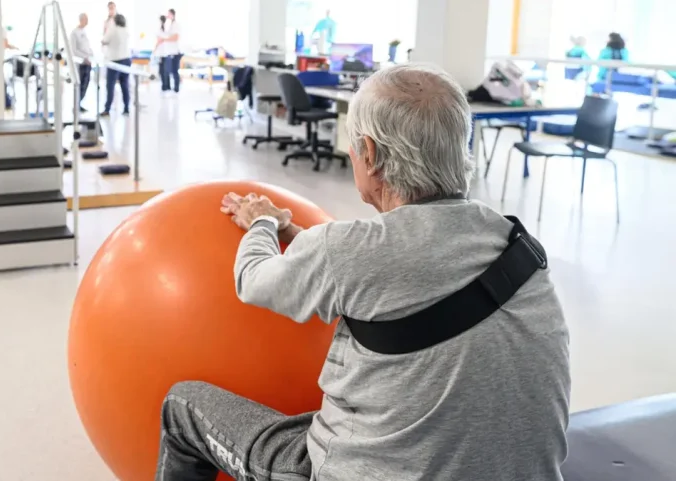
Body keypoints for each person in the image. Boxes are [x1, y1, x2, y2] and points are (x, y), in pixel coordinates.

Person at [155, 64, 571, 481]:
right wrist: (295, 232)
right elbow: (394, 267)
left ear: (368, 154)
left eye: (353, 147)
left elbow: (253, 278)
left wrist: (261, 222)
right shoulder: (516, 244)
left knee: (182, 407)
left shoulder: (348, 251)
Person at [101, 13, 131, 116]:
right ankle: (126, 108)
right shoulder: (126, 31)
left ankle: (107, 109)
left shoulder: (112, 30)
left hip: (115, 60)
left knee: (110, 85)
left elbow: (104, 41)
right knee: (125, 85)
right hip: (126, 59)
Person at [71, 13, 95, 112]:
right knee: (80, 85)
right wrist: (84, 58)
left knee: (86, 84)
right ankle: (76, 105)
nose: (87, 21)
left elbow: (87, 47)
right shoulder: (74, 33)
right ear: (81, 20)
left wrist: (91, 55)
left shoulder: (84, 32)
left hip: (88, 62)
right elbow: (74, 50)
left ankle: (79, 104)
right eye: (86, 19)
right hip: (80, 63)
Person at [160, 8, 182, 94]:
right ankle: (172, 88)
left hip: (175, 52)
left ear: (173, 15)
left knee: (175, 71)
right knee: (169, 71)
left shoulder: (176, 25)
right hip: (170, 52)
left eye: (168, 14)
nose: (167, 16)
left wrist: (165, 39)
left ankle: (176, 88)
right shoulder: (169, 25)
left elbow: (176, 37)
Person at [154, 15, 168, 83]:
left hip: (162, 52)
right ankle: (166, 86)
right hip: (166, 52)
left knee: (162, 69)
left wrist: (154, 49)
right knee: (165, 69)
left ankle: (164, 86)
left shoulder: (160, 30)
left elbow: (159, 41)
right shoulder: (167, 29)